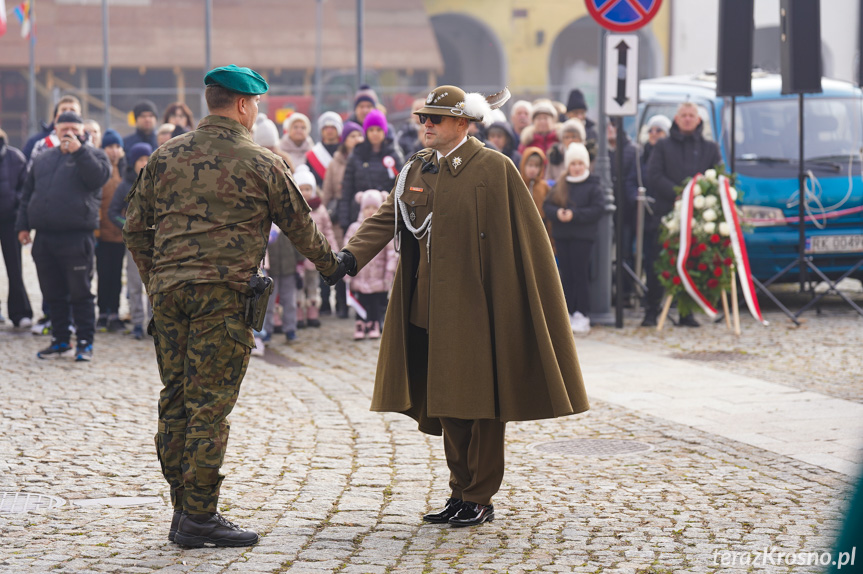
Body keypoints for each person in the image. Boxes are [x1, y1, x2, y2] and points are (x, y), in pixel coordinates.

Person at [329, 84, 589, 527]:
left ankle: (479, 496)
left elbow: (525, 243)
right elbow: (387, 218)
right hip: (428, 304)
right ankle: (459, 491)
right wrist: (348, 259)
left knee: (481, 404)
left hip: (479, 307)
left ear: (463, 123)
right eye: (422, 119)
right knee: (448, 403)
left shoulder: (494, 168)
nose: (425, 125)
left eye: (435, 119)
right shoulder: (418, 168)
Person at [123, 64, 344, 548]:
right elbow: (301, 228)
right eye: (257, 104)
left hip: (170, 296)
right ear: (244, 105)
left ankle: (183, 510)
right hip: (222, 298)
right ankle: (200, 518)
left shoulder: (165, 155)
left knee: (175, 398)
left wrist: (157, 279)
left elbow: (134, 226)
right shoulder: (261, 161)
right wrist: (334, 266)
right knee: (209, 407)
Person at [16, 111, 112, 362]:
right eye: (63, 128)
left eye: (73, 128)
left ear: (82, 131)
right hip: (45, 237)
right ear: (55, 131)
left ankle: (84, 342)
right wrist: (23, 226)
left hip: (76, 237)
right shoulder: (43, 159)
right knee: (52, 292)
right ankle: (59, 340)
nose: (68, 133)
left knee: (80, 293)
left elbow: (97, 179)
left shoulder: (95, 155)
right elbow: (27, 194)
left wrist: (79, 151)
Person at [643, 102, 722, 327]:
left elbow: (717, 175)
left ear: (698, 120)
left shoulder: (710, 148)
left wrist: (698, 195)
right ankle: (652, 311)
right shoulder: (663, 146)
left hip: (697, 218)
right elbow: (653, 175)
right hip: (667, 215)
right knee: (658, 264)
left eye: (691, 115)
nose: (687, 119)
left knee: (692, 263)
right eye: (683, 115)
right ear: (676, 120)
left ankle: (687, 312)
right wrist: (680, 193)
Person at [543, 143, 605, 333]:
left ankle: (582, 312)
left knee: (580, 275)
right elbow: (548, 206)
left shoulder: (593, 185)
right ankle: (568, 311)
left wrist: (575, 215)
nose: (577, 167)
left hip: (582, 236)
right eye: (573, 163)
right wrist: (559, 213)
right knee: (566, 275)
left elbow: (597, 209)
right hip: (563, 235)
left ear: (585, 164)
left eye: (580, 163)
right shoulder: (562, 184)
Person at [108, 142, 154, 340]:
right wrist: (127, 226)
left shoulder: (157, 182)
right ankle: (137, 321)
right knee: (135, 284)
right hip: (134, 244)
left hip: (155, 241)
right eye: (140, 160)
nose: (143, 163)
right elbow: (112, 212)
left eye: (147, 159)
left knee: (154, 285)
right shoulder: (125, 185)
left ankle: (154, 323)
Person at [321, 121, 363, 320]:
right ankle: (340, 304)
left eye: (358, 135)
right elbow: (327, 192)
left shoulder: (365, 159)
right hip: (340, 219)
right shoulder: (335, 162)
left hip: (361, 215)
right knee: (340, 259)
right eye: (351, 136)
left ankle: (359, 304)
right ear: (344, 140)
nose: (356, 140)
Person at [343, 189, 396, 340]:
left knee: (375, 302)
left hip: (377, 276)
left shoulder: (383, 229)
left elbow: (391, 252)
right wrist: (345, 270)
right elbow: (347, 248)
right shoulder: (354, 228)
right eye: (367, 208)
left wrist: (389, 271)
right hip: (359, 275)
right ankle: (360, 324)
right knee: (360, 301)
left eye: (374, 208)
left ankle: (373, 324)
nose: (370, 211)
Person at [338, 109, 403, 230]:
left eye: (378, 130)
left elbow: (400, 186)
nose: (375, 133)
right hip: (359, 215)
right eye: (371, 130)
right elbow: (347, 190)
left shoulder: (393, 155)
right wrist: (345, 221)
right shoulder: (357, 154)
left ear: (384, 131)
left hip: (387, 216)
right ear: (366, 132)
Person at [293, 165, 338, 329]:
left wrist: (332, 248)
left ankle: (312, 314)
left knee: (313, 285)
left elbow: (327, 230)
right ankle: (298, 315)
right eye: (301, 189)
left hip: (314, 256)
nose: (304, 192)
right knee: (298, 286)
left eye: (307, 189)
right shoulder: (293, 210)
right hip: (297, 256)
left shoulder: (320, 209)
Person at [0, 128, 33, 328]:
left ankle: (20, 312)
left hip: (10, 220)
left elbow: (25, 186)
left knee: (14, 267)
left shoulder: (15, 157)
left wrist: (15, 203)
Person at [95, 129, 127, 332]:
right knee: (103, 274)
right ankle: (102, 312)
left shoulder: (126, 171)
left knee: (117, 275)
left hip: (121, 234)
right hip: (102, 234)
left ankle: (114, 311)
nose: (114, 151)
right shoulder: (99, 170)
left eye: (117, 147)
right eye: (110, 147)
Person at [263, 223, 302, 342]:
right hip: (271, 270)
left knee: (290, 302)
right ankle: (266, 331)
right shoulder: (265, 223)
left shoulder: (289, 222)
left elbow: (298, 242)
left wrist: (300, 262)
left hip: (289, 269)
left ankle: (290, 330)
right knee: (268, 304)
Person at [28, 95, 84, 167]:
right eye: (64, 110)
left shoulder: (88, 143)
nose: (68, 113)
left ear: (79, 115)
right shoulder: (43, 144)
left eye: (72, 110)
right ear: (57, 116)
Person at [306, 111, 343, 187]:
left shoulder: (346, 151)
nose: (329, 131)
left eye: (333, 127)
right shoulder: (312, 155)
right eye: (325, 127)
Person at [519, 146, 551, 233]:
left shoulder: (544, 186)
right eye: (530, 165)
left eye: (536, 166)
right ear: (523, 165)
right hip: (521, 224)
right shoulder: (517, 183)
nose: (533, 169)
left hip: (540, 225)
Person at [546, 118, 586, 183]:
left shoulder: (588, 154)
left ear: (581, 138)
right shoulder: (555, 154)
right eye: (567, 137)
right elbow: (548, 177)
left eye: (574, 137)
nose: (570, 140)